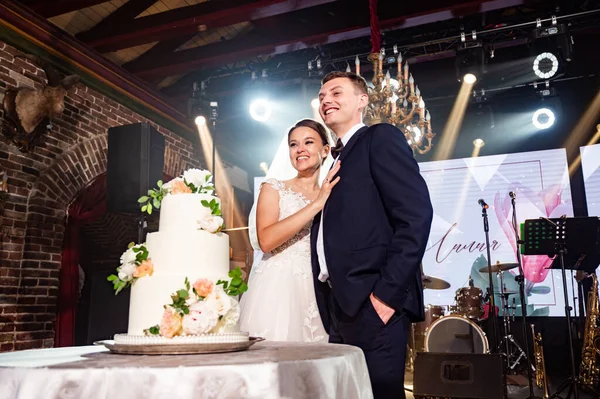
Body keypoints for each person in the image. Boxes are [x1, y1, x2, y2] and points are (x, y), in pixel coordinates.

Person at [311, 71, 433, 399]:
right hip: (340, 304)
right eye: (322, 96)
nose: (326, 100)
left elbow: (415, 215)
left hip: (374, 302)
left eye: (336, 93)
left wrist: (386, 296)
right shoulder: (334, 159)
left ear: (362, 101)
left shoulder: (380, 138)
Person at [239, 119, 341, 342]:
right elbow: (266, 240)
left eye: (308, 142)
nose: (300, 149)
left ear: (325, 150)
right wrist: (316, 205)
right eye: (294, 145)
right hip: (278, 284)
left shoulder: (332, 193)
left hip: (319, 288)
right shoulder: (274, 188)